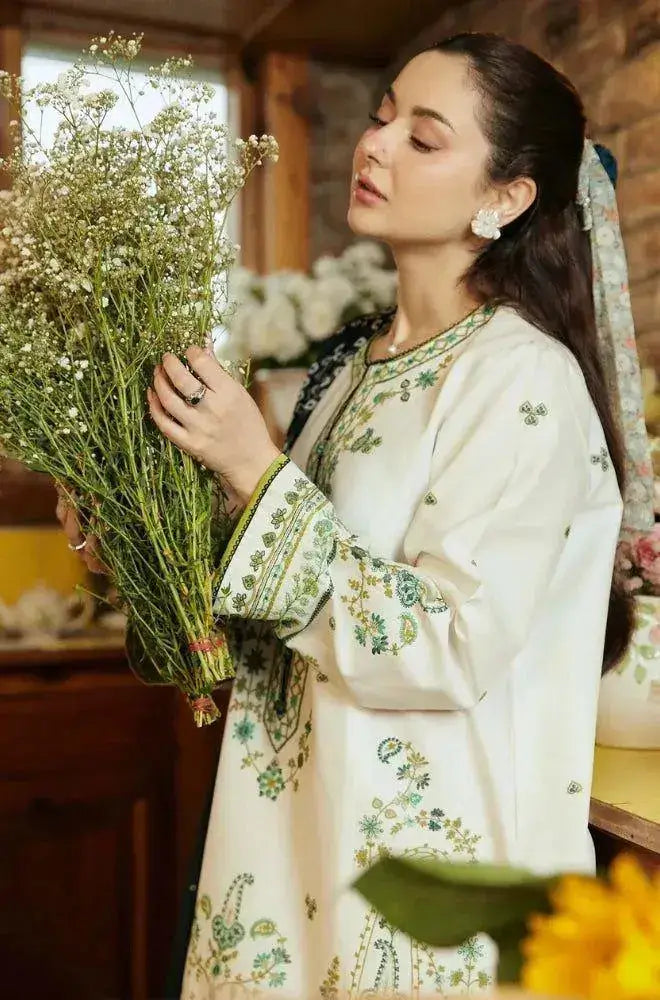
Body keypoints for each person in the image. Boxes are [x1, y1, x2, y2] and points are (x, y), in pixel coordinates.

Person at [58, 32, 653, 998]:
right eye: (381, 117)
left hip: (427, 881)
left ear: (505, 198)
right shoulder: (350, 375)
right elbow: (279, 616)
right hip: (293, 840)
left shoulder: (520, 379)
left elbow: (450, 643)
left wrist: (256, 471)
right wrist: (129, 519)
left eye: (424, 139)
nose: (375, 146)